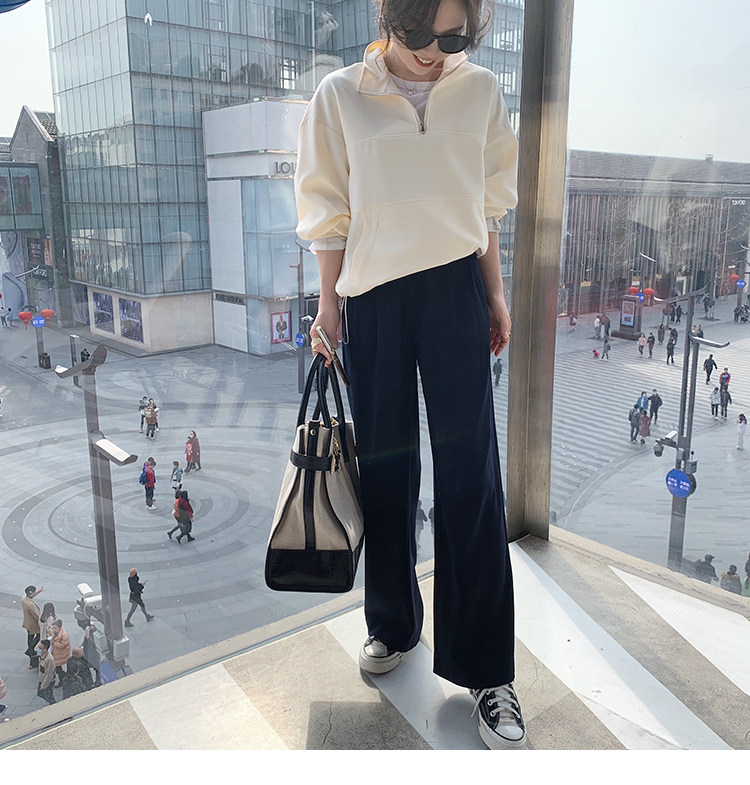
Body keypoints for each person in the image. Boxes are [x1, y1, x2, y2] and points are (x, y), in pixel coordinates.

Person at [295, 0, 525, 749]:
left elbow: (486, 208)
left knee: (472, 478)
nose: (434, 50)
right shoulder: (339, 95)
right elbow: (329, 210)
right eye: (420, 32)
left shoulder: (480, 89)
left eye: (453, 35)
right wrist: (329, 307)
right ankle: (392, 623)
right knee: (387, 471)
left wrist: (495, 294)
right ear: (391, 15)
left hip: (457, 288)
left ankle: (488, 670)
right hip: (375, 298)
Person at [21, 584, 43, 669]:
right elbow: (37, 615)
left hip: (27, 622)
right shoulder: (31, 605)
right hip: (33, 624)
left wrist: (39, 591)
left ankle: (30, 649)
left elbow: (31, 595)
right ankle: (30, 649)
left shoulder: (24, 598)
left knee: (30, 636)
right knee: (39, 635)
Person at [49, 619, 71, 686]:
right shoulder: (53, 632)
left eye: (55, 628)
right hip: (56, 653)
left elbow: (63, 645)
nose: (54, 629)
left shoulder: (64, 635)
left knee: (57, 669)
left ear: (60, 627)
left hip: (61, 654)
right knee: (58, 668)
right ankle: (63, 679)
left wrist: (53, 643)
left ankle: (65, 678)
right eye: (53, 627)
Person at [37, 640, 56, 705]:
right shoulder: (41, 654)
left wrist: (43, 685)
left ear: (45, 649)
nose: (38, 650)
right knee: (40, 694)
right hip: (42, 679)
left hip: (48, 682)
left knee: (49, 696)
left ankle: (54, 705)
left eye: (40, 648)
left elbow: (49, 674)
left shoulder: (49, 659)